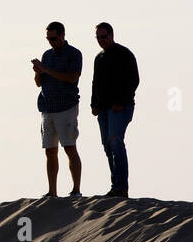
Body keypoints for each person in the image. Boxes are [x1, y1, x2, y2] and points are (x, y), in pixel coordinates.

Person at [32, 22, 83, 198]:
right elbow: (39, 82)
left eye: (53, 38)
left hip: (66, 107)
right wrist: (38, 72)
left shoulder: (74, 54)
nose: (51, 42)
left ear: (62, 35)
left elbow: (71, 77)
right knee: (50, 150)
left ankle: (76, 190)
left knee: (69, 147)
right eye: (48, 39)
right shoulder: (47, 55)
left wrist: (45, 69)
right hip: (47, 107)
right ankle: (52, 192)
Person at [90, 22, 139, 198]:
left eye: (104, 37)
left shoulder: (124, 54)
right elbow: (95, 82)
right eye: (98, 38)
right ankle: (115, 186)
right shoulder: (99, 58)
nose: (101, 41)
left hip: (121, 107)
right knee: (107, 146)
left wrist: (121, 101)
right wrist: (93, 104)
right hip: (103, 109)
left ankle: (121, 187)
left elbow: (134, 80)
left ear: (111, 35)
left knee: (115, 141)